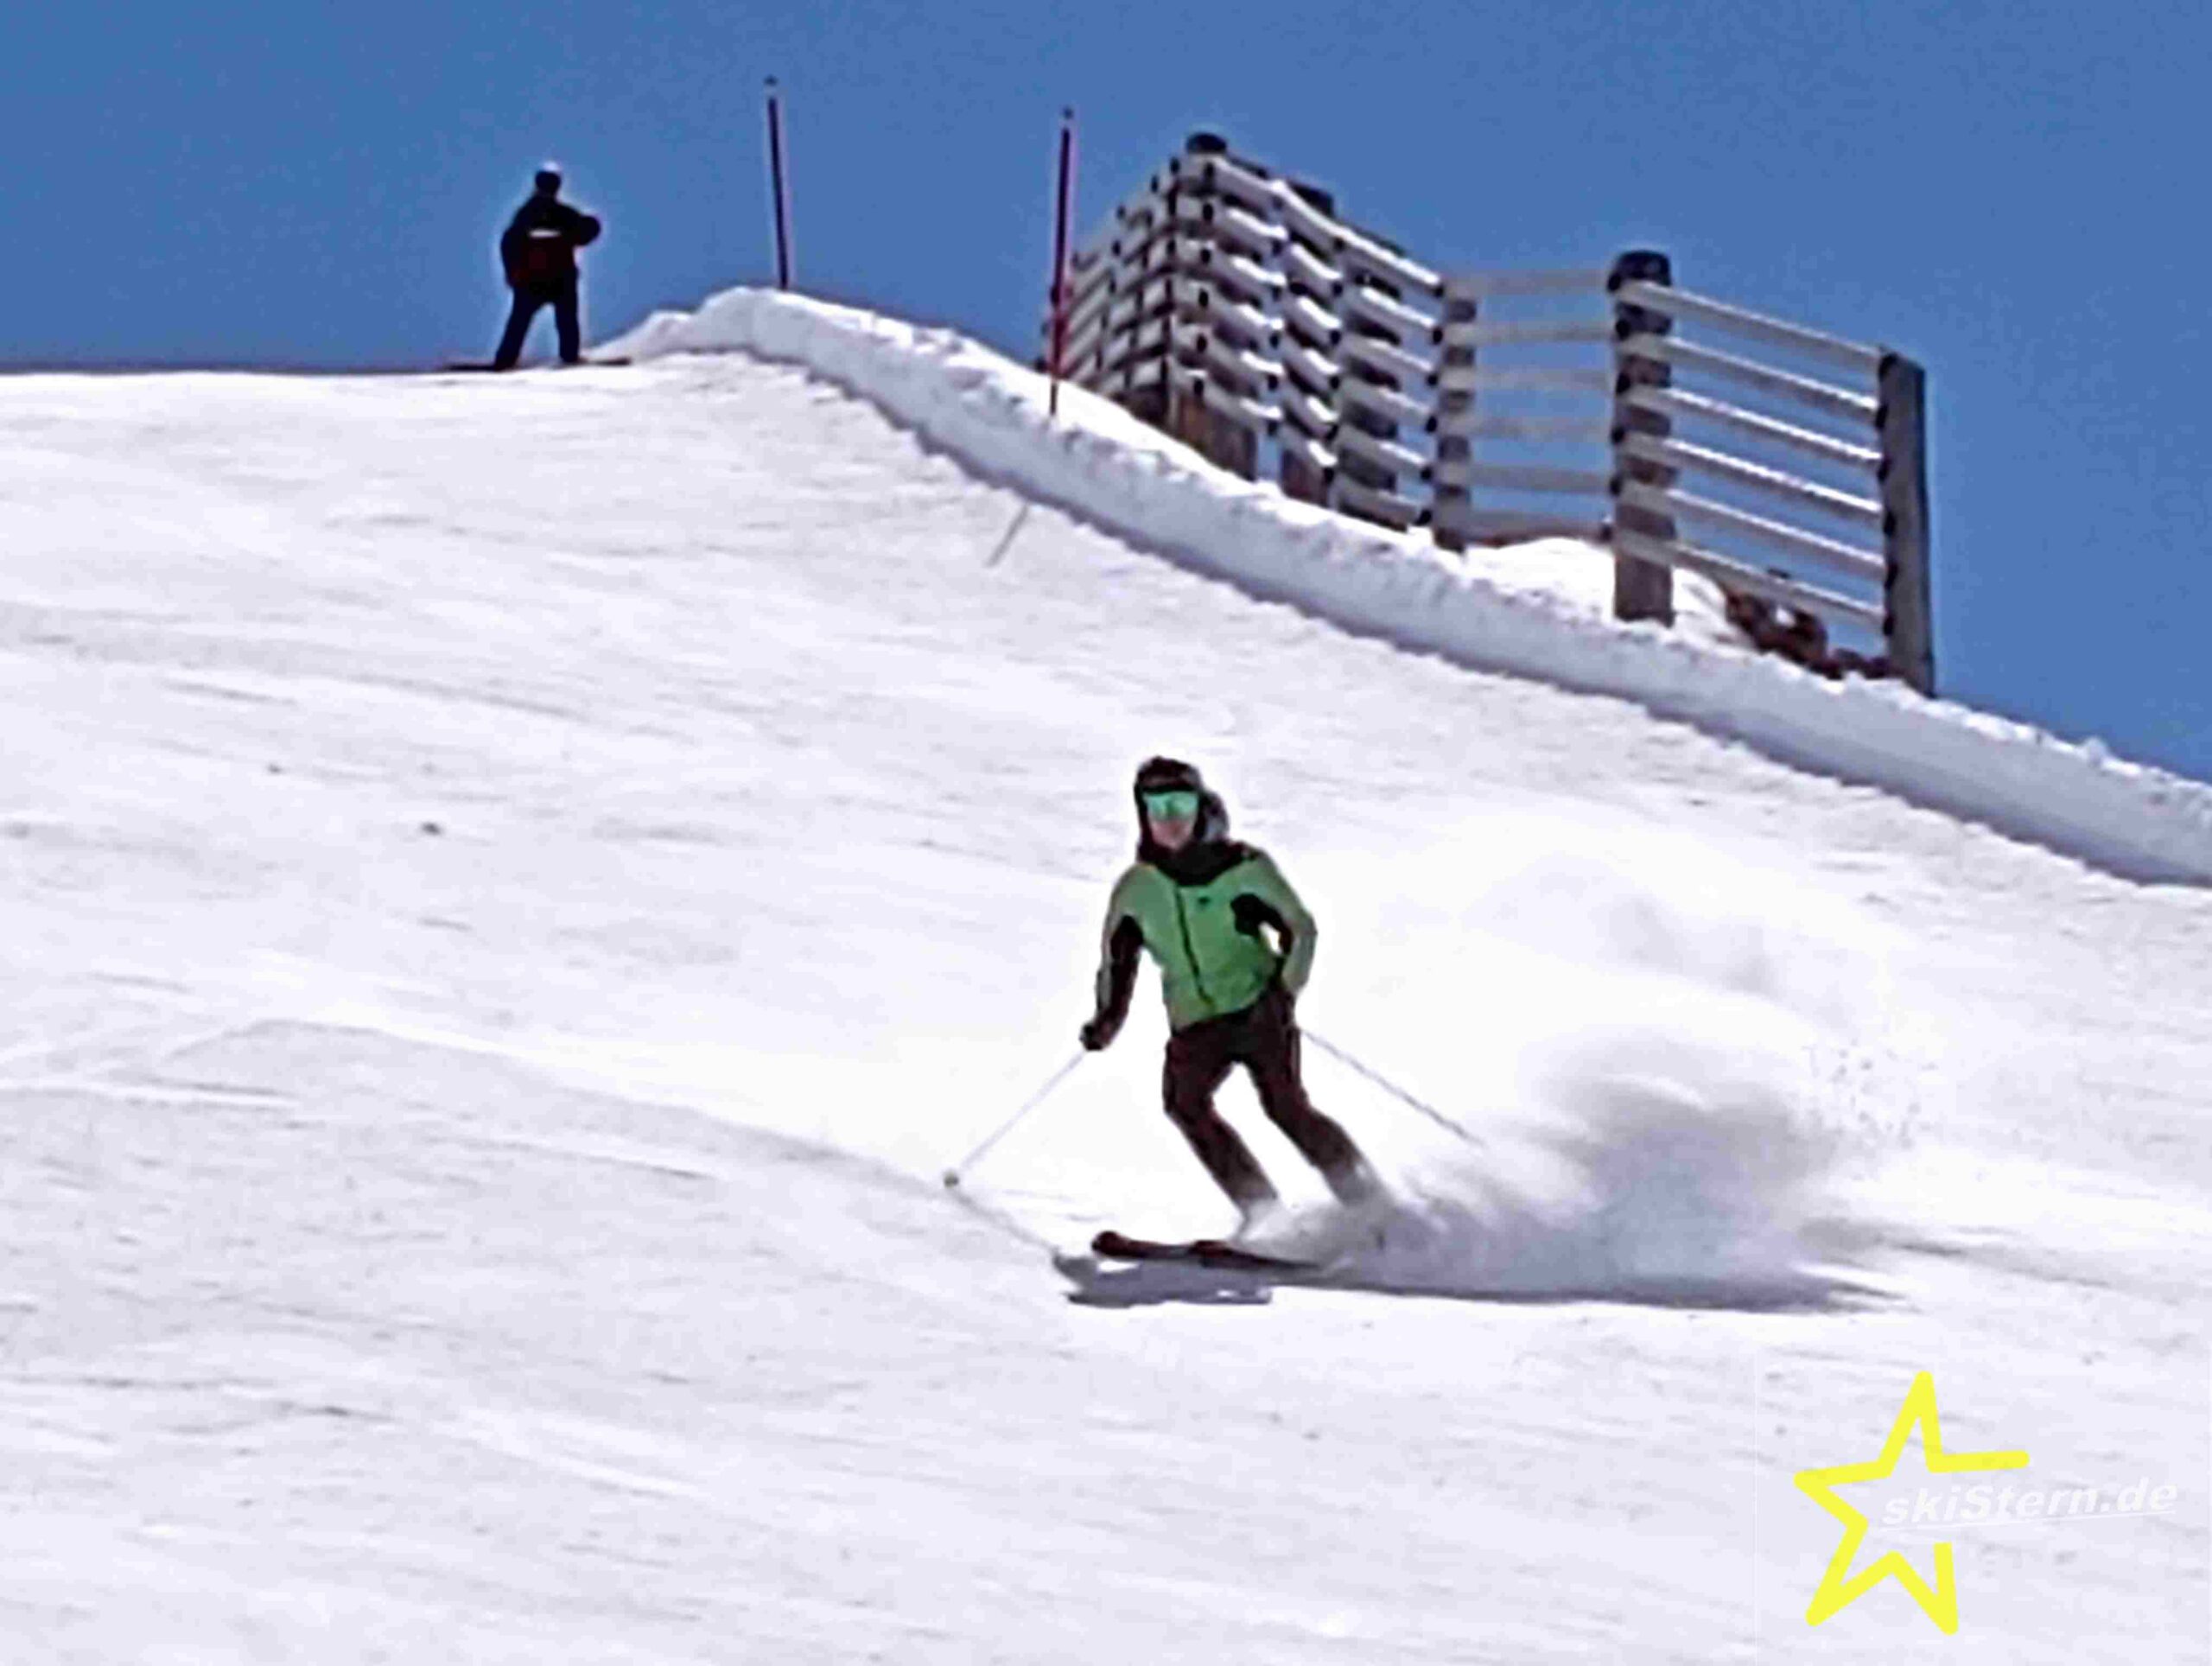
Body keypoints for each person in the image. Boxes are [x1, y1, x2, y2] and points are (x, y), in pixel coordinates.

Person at [1081, 757, 1379, 1227]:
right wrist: (1107, 1019)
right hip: (1195, 1023)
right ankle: (1262, 1211)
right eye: (1157, 807)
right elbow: (1118, 962)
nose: (1170, 819)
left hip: (1257, 1011)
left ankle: (1367, 1202)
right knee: (1185, 1105)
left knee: (1285, 1108)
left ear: (1200, 806)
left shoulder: (1242, 869)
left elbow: (1300, 929)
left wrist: (1282, 994)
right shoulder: (1137, 890)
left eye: (1180, 804)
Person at [492, 166, 602, 371]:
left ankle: (506, 361)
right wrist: (591, 226)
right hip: (547, 279)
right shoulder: (551, 214)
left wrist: (511, 272)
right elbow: (510, 242)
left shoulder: (531, 214)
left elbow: (509, 243)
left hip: (541, 279)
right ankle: (567, 357)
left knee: (526, 321)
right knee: (555, 319)